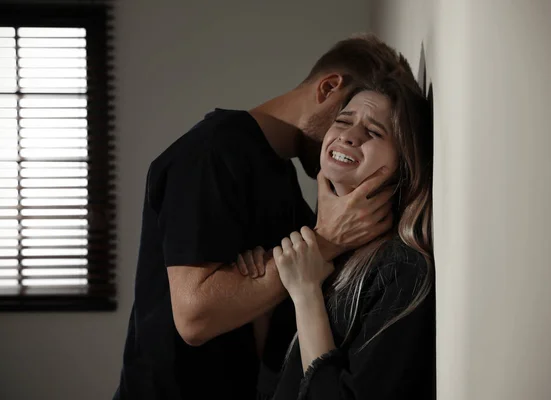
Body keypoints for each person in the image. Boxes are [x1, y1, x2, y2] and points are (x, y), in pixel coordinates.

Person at [113, 34, 409, 400]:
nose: (346, 139)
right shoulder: (212, 152)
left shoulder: (280, 177)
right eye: (346, 117)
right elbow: (194, 318)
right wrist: (325, 240)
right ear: (330, 87)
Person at [254, 63, 435, 399]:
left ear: (405, 163)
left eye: (376, 132)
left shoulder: (403, 271)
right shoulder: (319, 252)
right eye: (343, 121)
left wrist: (306, 291)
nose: (350, 136)